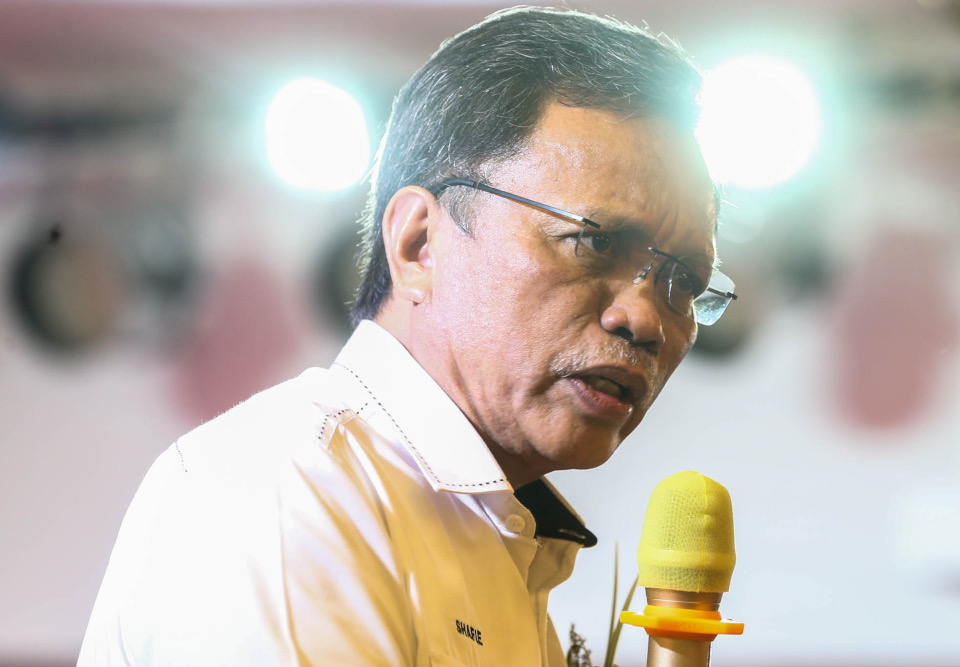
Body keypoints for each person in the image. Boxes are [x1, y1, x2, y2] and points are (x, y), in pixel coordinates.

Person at [79, 6, 736, 666]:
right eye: (594, 241)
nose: (648, 319)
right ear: (420, 243)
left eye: (686, 280)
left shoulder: (495, 534)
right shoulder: (287, 494)